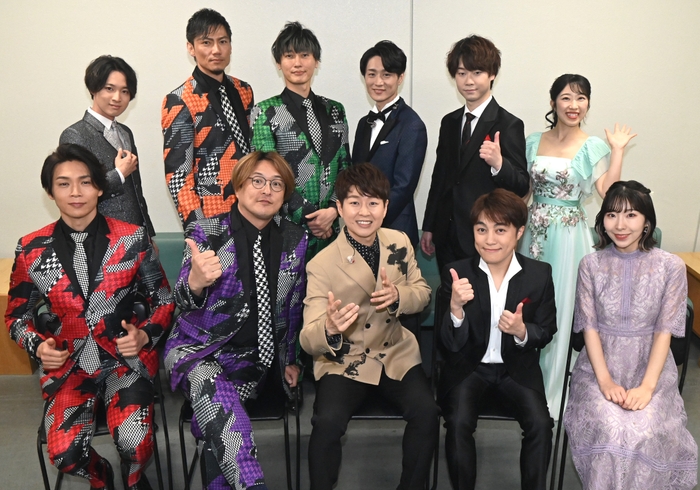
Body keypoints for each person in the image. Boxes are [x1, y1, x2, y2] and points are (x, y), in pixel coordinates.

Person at [5, 144, 174, 490]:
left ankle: (134, 478)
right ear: (50, 192)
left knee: (136, 445)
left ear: (99, 187)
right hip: (69, 367)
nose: (75, 192)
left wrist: (144, 335)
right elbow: (15, 317)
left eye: (85, 182)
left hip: (124, 361)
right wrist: (37, 347)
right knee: (64, 456)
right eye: (63, 184)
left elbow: (164, 299)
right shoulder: (31, 248)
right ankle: (102, 476)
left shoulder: (132, 238)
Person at [164, 151, 308, 490]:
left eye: (277, 184)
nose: (267, 190)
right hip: (196, 351)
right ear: (239, 187)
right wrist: (195, 282)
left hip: (252, 358)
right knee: (215, 395)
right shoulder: (206, 231)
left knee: (218, 421)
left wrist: (292, 359)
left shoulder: (294, 238)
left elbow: (293, 306)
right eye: (258, 181)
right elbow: (180, 300)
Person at [300, 163, 438, 490]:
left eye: (373, 202)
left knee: (428, 413)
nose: (364, 212)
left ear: (386, 207)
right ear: (339, 207)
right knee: (326, 422)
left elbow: (422, 293)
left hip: (394, 351)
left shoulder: (399, 242)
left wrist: (399, 296)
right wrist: (330, 328)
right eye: (354, 202)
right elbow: (308, 337)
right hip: (345, 360)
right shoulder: (322, 264)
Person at [564, 181, 697, 489]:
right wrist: (605, 382)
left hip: (651, 370)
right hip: (598, 370)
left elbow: (665, 331)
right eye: (612, 215)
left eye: (631, 215)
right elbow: (589, 328)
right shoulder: (590, 265)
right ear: (602, 221)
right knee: (610, 429)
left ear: (647, 221)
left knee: (644, 429)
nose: (620, 225)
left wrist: (647, 388)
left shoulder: (671, 267)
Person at [517, 74, 637, 418]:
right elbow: (524, 193)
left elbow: (607, 192)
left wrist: (617, 150)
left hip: (569, 235)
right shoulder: (533, 141)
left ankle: (552, 391)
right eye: (567, 98)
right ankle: (521, 384)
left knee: (562, 305)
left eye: (581, 98)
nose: (574, 105)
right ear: (553, 102)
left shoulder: (592, 146)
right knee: (525, 302)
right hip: (533, 231)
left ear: (588, 104)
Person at [438, 188, 556, 490]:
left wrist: (522, 331)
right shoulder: (457, 273)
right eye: (481, 229)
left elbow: (546, 330)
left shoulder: (539, 274)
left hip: (516, 369)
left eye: (500, 230)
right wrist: (455, 308)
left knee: (541, 425)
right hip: (469, 368)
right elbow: (448, 344)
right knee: (458, 422)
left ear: (519, 232)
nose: (489, 239)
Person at [421, 35, 529, 274]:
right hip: (446, 234)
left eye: (477, 72)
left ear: (492, 74)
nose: (468, 81)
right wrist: (429, 226)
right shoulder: (449, 122)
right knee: (450, 294)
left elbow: (522, 185)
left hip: (485, 236)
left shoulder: (509, 124)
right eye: (461, 73)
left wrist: (499, 164)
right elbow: (440, 178)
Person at [251, 21, 351, 259]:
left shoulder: (335, 110)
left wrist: (333, 211)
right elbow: (267, 175)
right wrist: (313, 219)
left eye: (305, 55)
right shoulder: (265, 112)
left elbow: (346, 167)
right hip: (285, 232)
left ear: (316, 61)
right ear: (279, 63)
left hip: (331, 233)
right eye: (289, 56)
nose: (297, 63)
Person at [162, 8, 254, 229]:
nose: (216, 50)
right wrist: (199, 230)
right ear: (191, 48)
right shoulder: (179, 99)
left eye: (223, 42)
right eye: (206, 42)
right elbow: (178, 177)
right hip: (211, 218)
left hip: (252, 211)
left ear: (230, 46)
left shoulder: (244, 90)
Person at [60, 55, 155, 236]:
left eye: (125, 91)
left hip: (137, 235)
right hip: (102, 237)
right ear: (93, 88)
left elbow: (136, 192)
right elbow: (78, 193)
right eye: (109, 89)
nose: (117, 98)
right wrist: (119, 174)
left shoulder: (125, 132)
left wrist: (149, 235)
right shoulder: (75, 134)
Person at [352, 40, 427, 247]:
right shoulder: (363, 123)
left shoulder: (412, 124)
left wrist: (370, 218)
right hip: (360, 229)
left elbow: (404, 186)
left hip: (395, 230)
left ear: (400, 77)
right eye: (372, 74)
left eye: (386, 75)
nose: (378, 82)